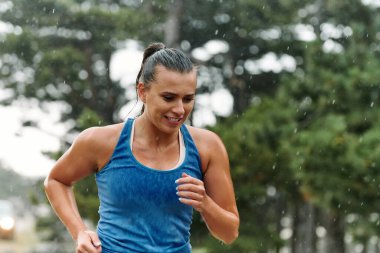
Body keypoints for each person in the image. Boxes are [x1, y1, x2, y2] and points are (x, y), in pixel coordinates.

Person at [44, 42, 239, 253]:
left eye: (188, 98)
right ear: (142, 91)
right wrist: (79, 231)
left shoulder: (207, 147)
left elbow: (229, 233)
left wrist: (205, 203)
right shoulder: (101, 141)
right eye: (169, 97)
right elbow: (56, 180)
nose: (180, 109)